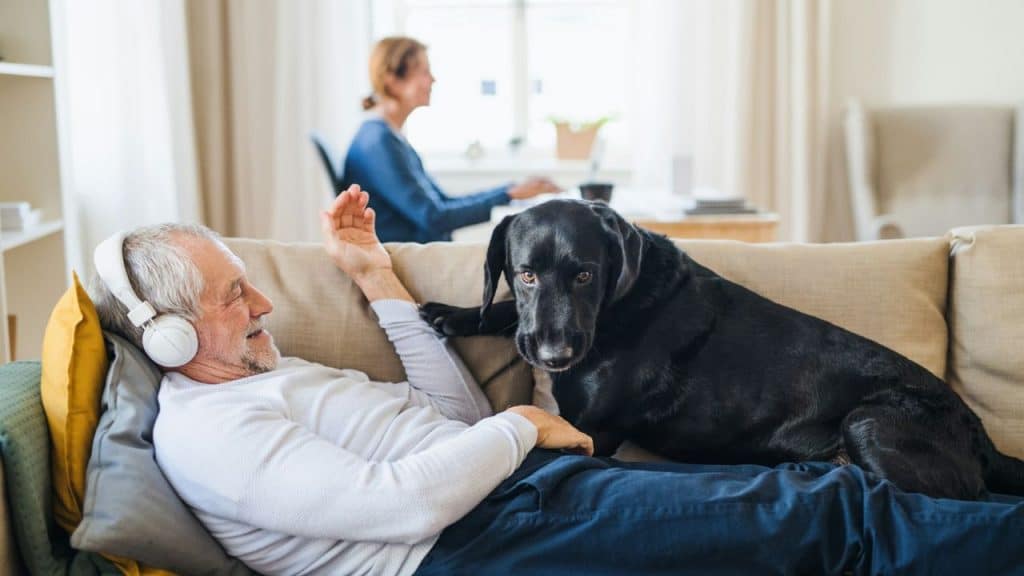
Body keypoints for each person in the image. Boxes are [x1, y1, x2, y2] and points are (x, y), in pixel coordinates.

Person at [88, 184, 1024, 576]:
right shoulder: (209, 433)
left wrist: (377, 279)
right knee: (829, 519)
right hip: (479, 538)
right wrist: (522, 430)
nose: (259, 301)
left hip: (520, 493)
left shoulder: (270, 373)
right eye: (230, 295)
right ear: (169, 336)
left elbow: (446, 415)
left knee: (809, 492)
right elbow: (397, 508)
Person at [341, 36, 559, 243]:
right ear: (393, 81)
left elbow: (442, 203)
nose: (433, 79)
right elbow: (435, 217)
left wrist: (509, 192)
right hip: (408, 258)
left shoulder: (389, 138)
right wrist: (507, 194)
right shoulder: (379, 143)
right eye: (424, 72)